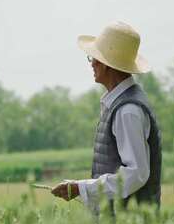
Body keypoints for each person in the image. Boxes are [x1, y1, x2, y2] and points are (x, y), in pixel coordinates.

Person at [51, 21, 162, 213]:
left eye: (95, 58)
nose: (92, 63)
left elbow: (135, 174)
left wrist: (81, 188)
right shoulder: (121, 104)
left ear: (108, 65)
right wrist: (80, 186)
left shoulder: (127, 111)